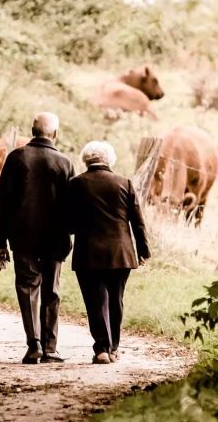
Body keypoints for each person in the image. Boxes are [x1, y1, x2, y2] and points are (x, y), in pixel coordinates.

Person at [0, 112, 75, 364]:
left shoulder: (16, 158)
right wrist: (70, 233)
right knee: (51, 290)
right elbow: (72, 206)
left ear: (32, 130)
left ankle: (34, 345)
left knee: (28, 288)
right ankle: (51, 348)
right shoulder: (64, 162)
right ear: (56, 134)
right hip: (55, 238)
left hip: (23, 237)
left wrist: (0, 242)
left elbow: (2, 203)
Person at [68, 141, 151, 365]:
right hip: (121, 252)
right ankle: (114, 348)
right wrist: (143, 250)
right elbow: (138, 221)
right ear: (109, 159)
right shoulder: (124, 183)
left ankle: (101, 349)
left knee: (95, 302)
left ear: (86, 159)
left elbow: (69, 222)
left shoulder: (76, 184)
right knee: (116, 300)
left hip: (88, 253)